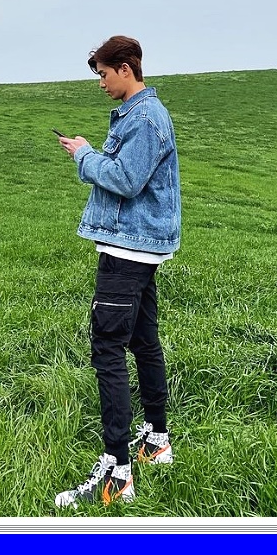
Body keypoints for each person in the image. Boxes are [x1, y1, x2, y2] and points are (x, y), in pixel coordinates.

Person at [54, 36, 181, 509]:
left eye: (104, 74)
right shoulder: (139, 115)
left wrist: (83, 155)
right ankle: (156, 442)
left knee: (107, 347)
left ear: (126, 68)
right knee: (143, 341)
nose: (102, 83)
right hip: (137, 247)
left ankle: (116, 473)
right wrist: (89, 151)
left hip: (128, 249)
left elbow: (127, 180)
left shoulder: (145, 119)